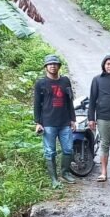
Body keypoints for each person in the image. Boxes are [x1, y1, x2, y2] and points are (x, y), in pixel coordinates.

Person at [34, 54, 77, 188]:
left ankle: (65, 172)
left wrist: (73, 119)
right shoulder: (41, 83)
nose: (53, 66)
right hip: (48, 123)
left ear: (59, 66)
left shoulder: (65, 81)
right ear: (46, 67)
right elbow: (37, 104)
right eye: (50, 64)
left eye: (55, 64)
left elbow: (69, 101)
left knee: (68, 149)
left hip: (64, 122)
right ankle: (54, 179)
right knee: (50, 151)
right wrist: (38, 122)